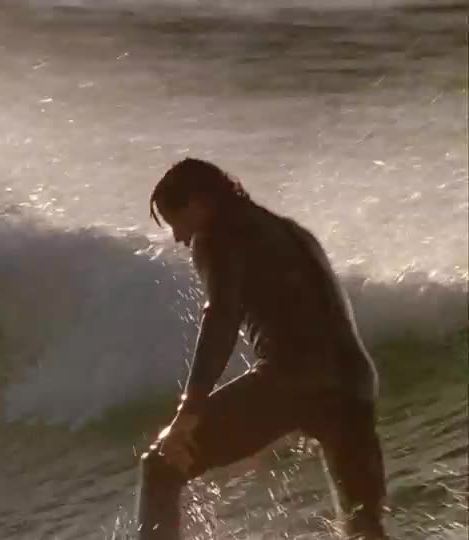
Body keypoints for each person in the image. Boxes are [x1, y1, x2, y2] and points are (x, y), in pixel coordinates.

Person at [136, 158, 388, 539]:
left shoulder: (217, 235)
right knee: (364, 526)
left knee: (161, 464)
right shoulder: (291, 231)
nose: (179, 237)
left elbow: (221, 318)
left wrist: (189, 412)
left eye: (178, 221)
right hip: (354, 382)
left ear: (201, 203)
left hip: (292, 378)